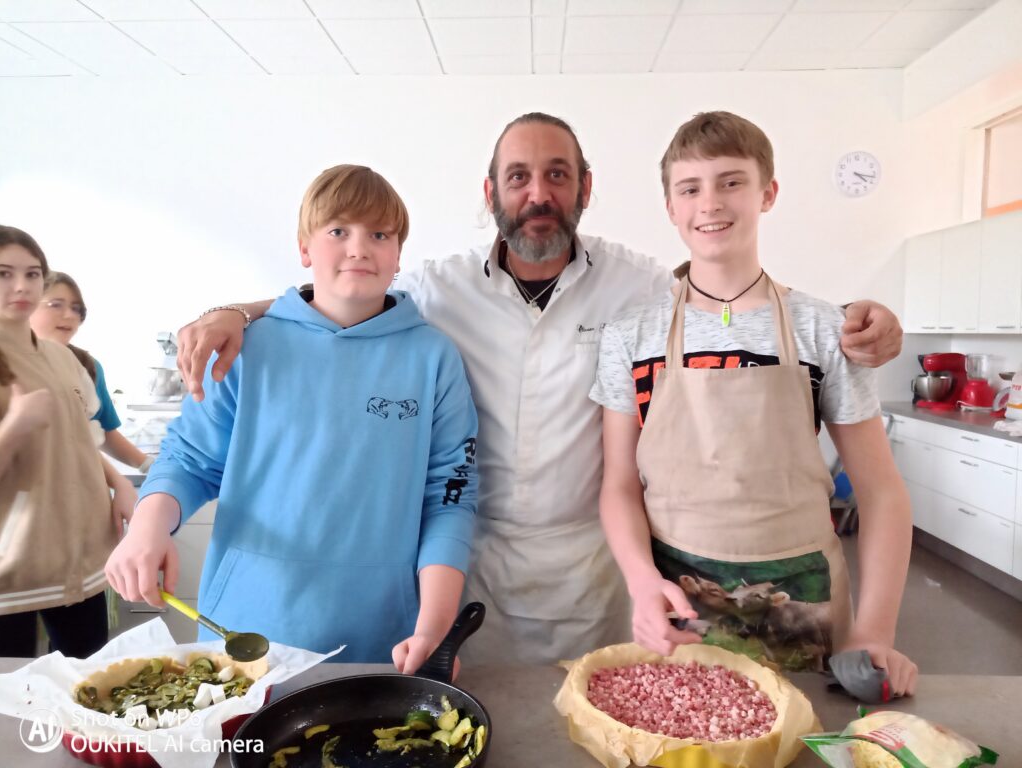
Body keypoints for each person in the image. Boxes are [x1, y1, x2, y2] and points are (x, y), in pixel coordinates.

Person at [172, 113, 905, 665]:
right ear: (491, 192)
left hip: (593, 567)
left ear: (585, 187)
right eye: (519, 176)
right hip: (471, 559)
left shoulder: (637, 285)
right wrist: (237, 312)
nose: (538, 193)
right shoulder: (439, 286)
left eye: (557, 175)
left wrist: (852, 320)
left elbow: (726, 288)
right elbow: (343, 290)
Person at [592, 111, 917, 695]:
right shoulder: (630, 337)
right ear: (670, 207)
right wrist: (641, 583)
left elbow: (881, 491)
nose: (710, 203)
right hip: (675, 599)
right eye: (690, 188)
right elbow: (619, 484)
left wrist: (875, 630)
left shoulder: (824, 329)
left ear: (768, 193)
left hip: (803, 597)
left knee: (807, 732)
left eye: (731, 182)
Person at [104, 165, 479, 670]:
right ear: (305, 249)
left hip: (385, 640)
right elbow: (189, 461)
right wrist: (147, 528)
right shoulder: (245, 347)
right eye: (338, 231)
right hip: (246, 632)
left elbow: (450, 496)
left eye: (379, 234)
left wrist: (433, 627)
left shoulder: (433, 357)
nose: (359, 248)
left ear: (398, 256)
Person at [0, 225, 128, 658]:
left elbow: (81, 441)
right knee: (12, 692)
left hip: (83, 560)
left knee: (90, 682)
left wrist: (123, 486)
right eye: (3, 274)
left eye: (32, 274)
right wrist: (15, 426)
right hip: (12, 571)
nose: (21, 286)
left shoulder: (62, 357)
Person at [30, 271, 153, 472]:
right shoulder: (9, 365)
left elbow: (102, 432)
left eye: (76, 308)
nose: (69, 315)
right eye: (56, 305)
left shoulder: (87, 366)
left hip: (79, 482)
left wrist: (148, 465)